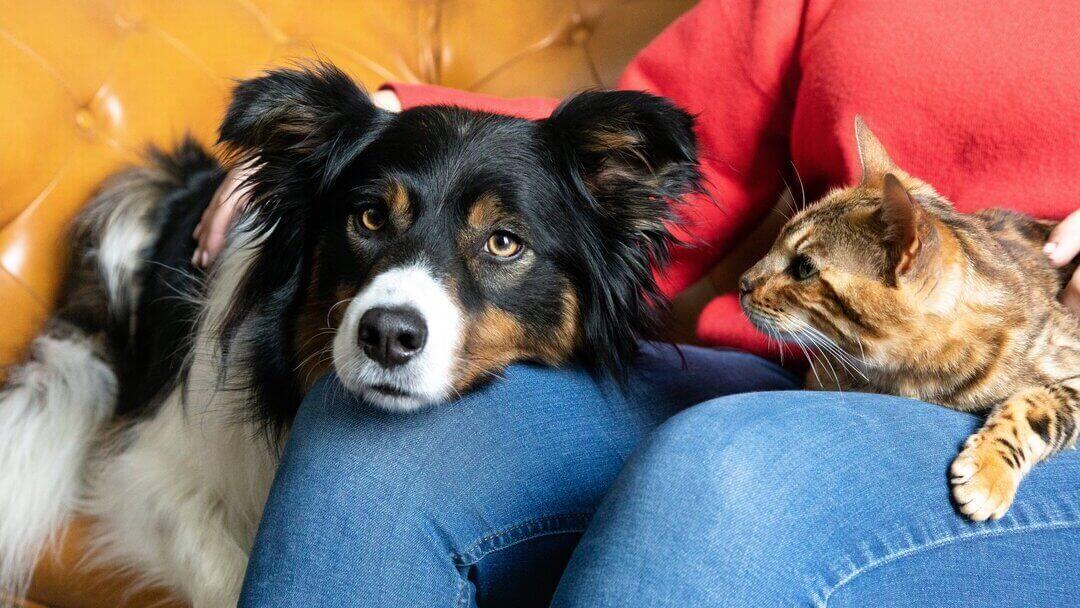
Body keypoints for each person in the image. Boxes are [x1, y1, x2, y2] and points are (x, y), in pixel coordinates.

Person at [195, 1, 1080, 605]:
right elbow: (665, 146)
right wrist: (381, 122)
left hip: (1029, 421)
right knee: (365, 449)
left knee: (730, 469)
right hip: (788, 367)